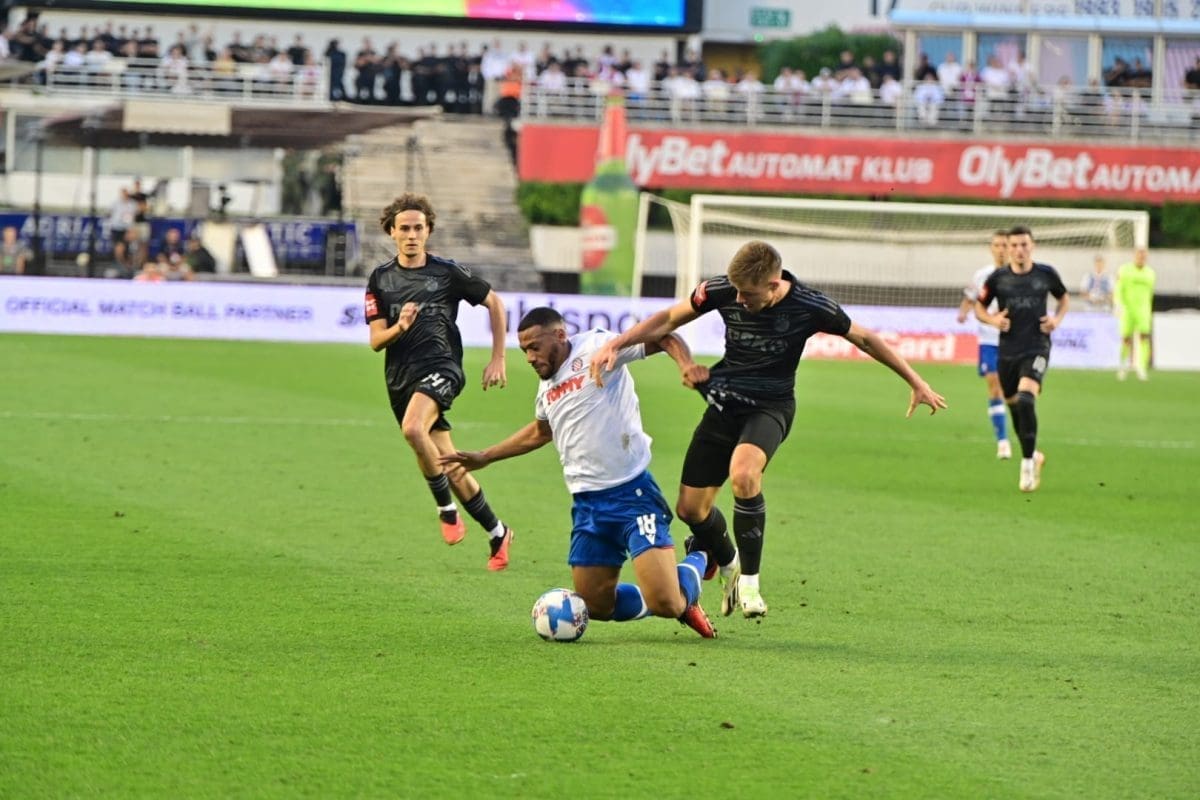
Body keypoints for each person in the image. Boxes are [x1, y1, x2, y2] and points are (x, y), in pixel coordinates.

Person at [590, 240, 947, 619]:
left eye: (749, 294)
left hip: (770, 407)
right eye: (738, 292)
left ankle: (751, 584)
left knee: (744, 475)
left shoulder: (811, 306)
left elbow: (866, 338)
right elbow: (669, 319)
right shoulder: (722, 289)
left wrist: (915, 381)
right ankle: (729, 566)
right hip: (724, 403)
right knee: (690, 510)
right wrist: (618, 343)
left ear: (775, 284)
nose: (740, 300)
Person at [439, 307, 716, 638]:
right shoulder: (546, 388)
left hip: (633, 493)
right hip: (587, 504)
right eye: (524, 349)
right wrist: (486, 456)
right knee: (597, 605)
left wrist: (686, 365)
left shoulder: (597, 348)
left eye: (534, 347)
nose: (528, 357)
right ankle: (665, 592)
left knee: (669, 605)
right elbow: (541, 432)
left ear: (559, 335)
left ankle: (699, 554)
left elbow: (664, 336)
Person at [363, 192, 514, 570]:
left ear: (428, 230)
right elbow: (376, 341)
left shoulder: (446, 273)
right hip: (400, 379)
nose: (412, 235)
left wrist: (498, 356)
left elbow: (495, 302)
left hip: (443, 368)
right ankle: (498, 532)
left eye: (418, 228)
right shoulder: (380, 279)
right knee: (447, 460)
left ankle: (446, 509)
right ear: (391, 232)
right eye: (404, 229)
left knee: (414, 430)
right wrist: (401, 326)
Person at [975, 225, 1069, 493]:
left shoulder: (1046, 274)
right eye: (1013, 245)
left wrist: (1056, 320)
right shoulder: (998, 279)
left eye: (1023, 245)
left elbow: (1064, 298)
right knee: (1014, 405)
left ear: (1032, 246)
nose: (1018, 250)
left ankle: (1027, 462)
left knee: (1027, 399)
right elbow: (979, 307)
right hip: (1008, 350)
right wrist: (993, 319)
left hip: (1037, 347)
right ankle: (1034, 454)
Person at [956, 231, 1012, 459]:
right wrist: (963, 312)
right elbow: (971, 298)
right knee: (994, 385)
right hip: (989, 339)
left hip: (1013, 341)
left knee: (1014, 393)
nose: (1001, 249)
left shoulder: (1019, 275)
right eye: (997, 245)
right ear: (991, 248)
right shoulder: (983, 275)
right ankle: (1003, 441)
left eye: (1004, 245)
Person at [1115, 248, 1156, 382]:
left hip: (1143, 310)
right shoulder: (1125, 270)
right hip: (1127, 309)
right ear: (1134, 256)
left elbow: (1150, 293)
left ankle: (1141, 367)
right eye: (1139, 255)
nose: (1141, 258)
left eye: (1143, 256)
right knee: (1126, 338)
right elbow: (1118, 288)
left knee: (1144, 337)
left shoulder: (1150, 273)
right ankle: (1122, 365)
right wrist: (1118, 304)